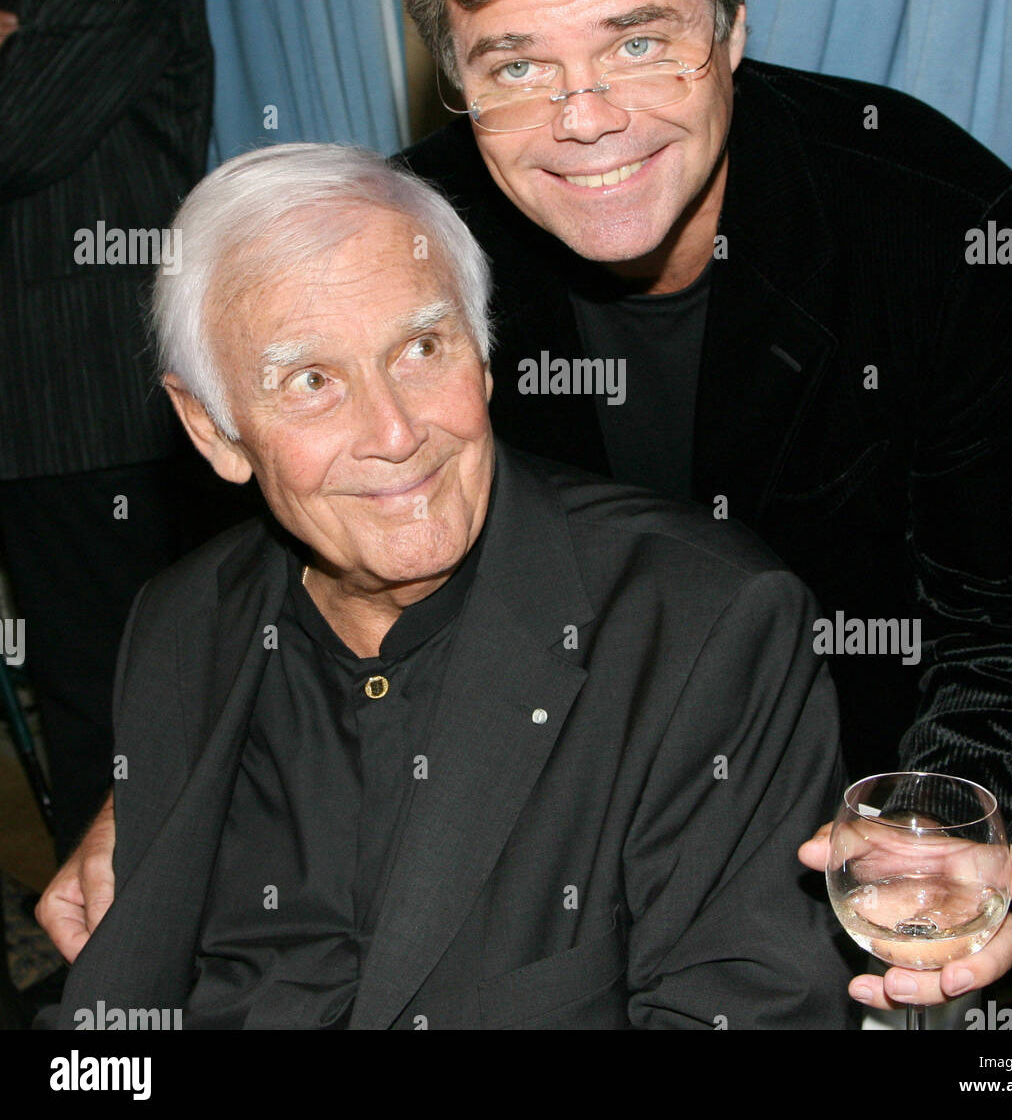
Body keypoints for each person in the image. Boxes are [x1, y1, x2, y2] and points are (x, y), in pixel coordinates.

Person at [41, 0, 1012, 1017]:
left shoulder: (938, 225)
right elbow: (309, 525)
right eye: (517, 64)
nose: (585, 119)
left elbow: (1010, 613)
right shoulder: (413, 249)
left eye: (637, 41)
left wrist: (939, 825)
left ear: (731, 22)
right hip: (543, 886)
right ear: (454, 78)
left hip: (861, 862)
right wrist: (170, 779)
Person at [44, 143, 849, 1030]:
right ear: (213, 429)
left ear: (486, 352)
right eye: (313, 382)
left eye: (422, 347)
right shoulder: (181, 623)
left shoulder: (703, 628)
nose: (393, 432)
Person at [0, 0, 214, 857]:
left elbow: (14, 133)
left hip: (91, 404)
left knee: (116, 704)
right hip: (26, 412)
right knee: (73, 694)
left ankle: (138, 984)